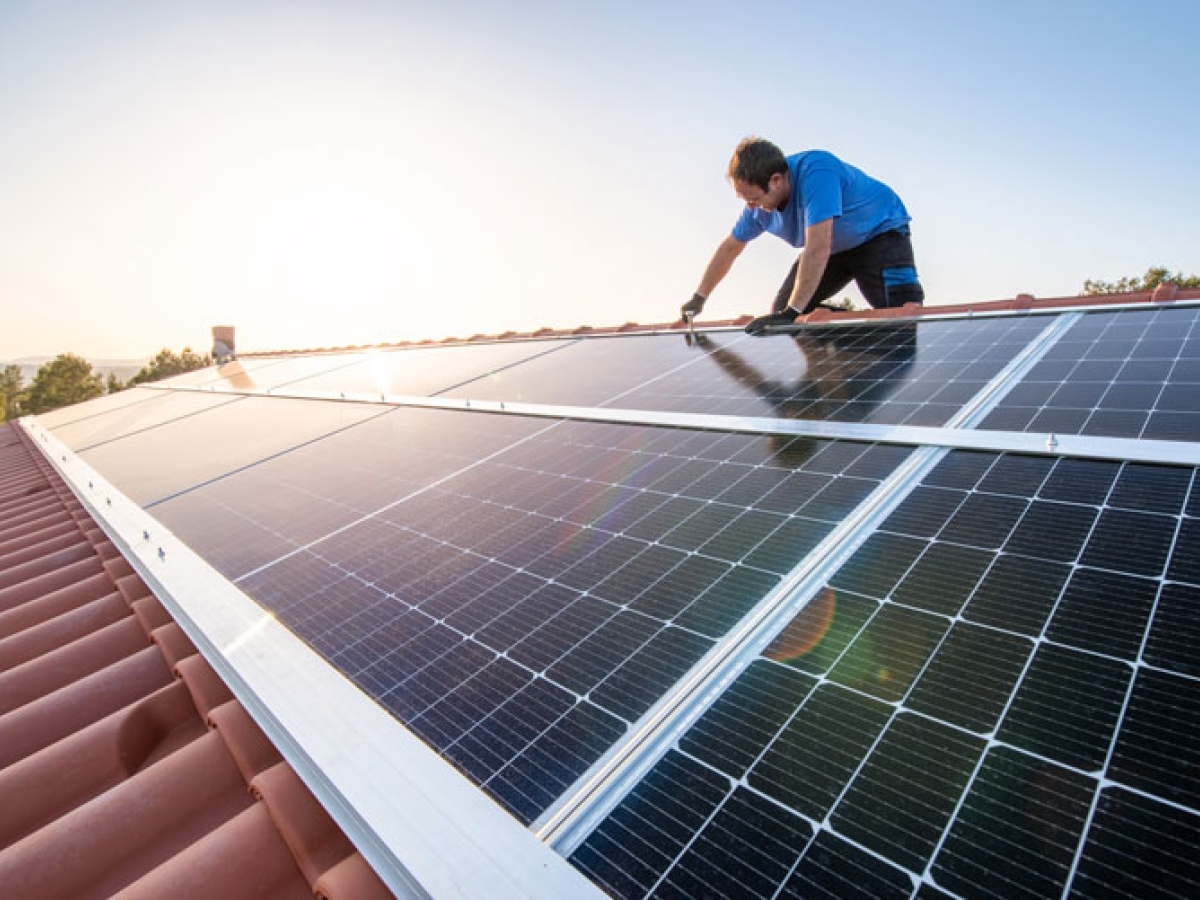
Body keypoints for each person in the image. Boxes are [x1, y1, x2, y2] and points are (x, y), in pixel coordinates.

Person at [681, 137, 924, 335]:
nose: (751, 207)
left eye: (754, 199)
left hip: (878, 234)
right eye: (746, 201)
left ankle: (885, 335)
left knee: (902, 316)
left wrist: (792, 311)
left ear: (775, 180)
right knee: (782, 312)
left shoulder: (817, 172)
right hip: (835, 250)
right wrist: (698, 298)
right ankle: (854, 356)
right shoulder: (757, 211)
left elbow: (817, 247)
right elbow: (730, 248)